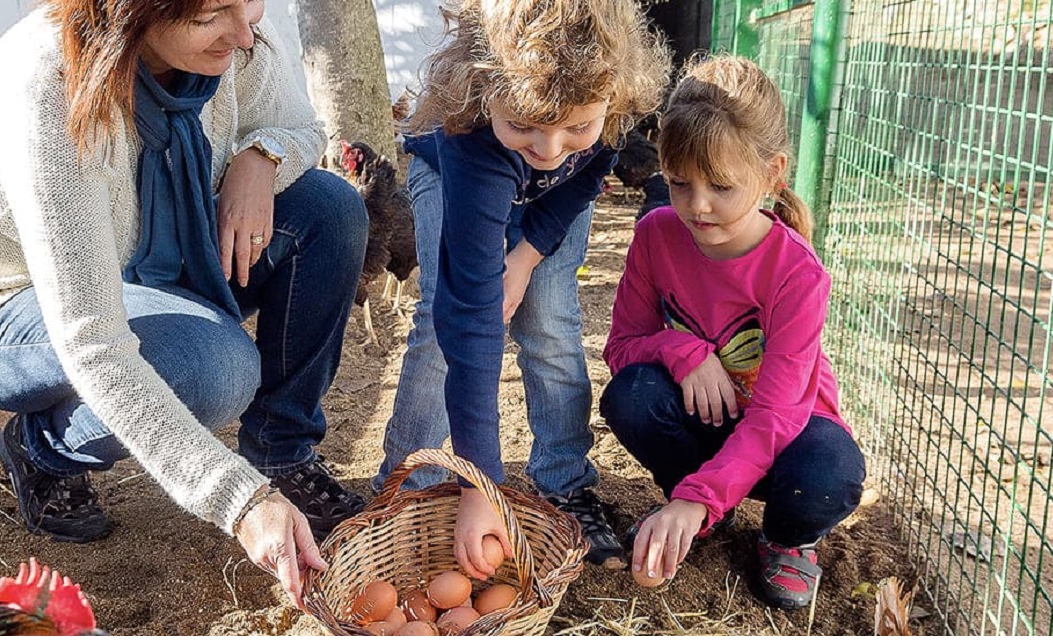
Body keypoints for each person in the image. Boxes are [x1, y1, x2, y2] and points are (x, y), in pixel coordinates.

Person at [0, 0, 369, 606]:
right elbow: (94, 341)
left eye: (250, 3)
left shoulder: (236, 43)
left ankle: (282, 455)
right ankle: (39, 450)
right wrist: (239, 501)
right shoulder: (50, 89)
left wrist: (258, 157)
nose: (244, 34)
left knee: (329, 209)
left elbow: (299, 125)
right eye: (214, 13)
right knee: (213, 370)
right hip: (9, 308)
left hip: (154, 274)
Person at [371, 0, 672, 575]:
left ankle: (563, 482)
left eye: (576, 126)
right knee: (441, 323)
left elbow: (576, 180)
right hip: (457, 179)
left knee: (552, 323)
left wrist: (528, 256)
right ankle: (410, 488)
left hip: (552, 202)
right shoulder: (474, 134)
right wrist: (482, 482)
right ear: (484, 88)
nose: (550, 146)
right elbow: (472, 316)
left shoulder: (606, 108)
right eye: (526, 124)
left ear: (614, 94)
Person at [598, 54, 867, 609]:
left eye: (721, 186)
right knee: (632, 396)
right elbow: (621, 348)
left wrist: (700, 495)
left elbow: (774, 418)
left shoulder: (797, 273)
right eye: (679, 182)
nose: (698, 206)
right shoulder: (656, 237)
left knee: (829, 474)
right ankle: (696, 509)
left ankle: (785, 539)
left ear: (772, 174)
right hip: (707, 426)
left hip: (784, 438)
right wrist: (684, 350)